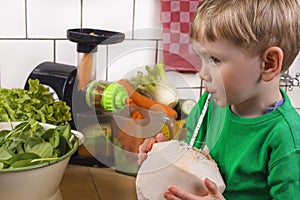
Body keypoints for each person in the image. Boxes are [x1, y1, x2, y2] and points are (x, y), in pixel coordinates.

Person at [138, 0, 300, 199]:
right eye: (201, 59)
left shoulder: (287, 140)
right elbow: (192, 162)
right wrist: (162, 161)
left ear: (268, 63)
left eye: (214, 60)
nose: (202, 73)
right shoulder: (210, 105)